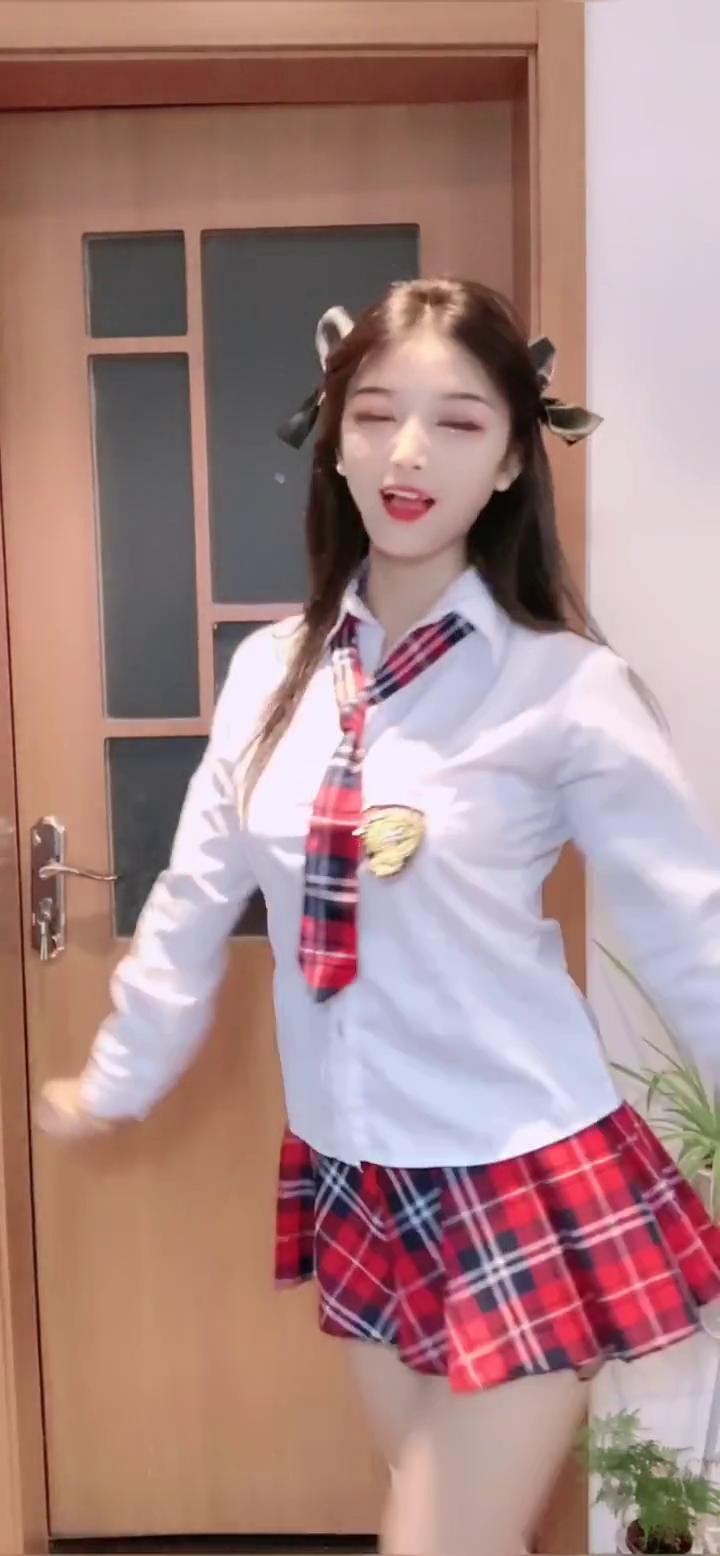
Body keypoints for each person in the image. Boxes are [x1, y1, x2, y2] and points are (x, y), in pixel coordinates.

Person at [37, 278, 720, 1556]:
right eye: (375, 414)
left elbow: (693, 929)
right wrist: (121, 1075)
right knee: (447, 1517)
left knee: (433, 1541)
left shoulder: (565, 686)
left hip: (523, 1169)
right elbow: (195, 894)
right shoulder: (268, 673)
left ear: (512, 458)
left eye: (458, 422)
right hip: (354, 1167)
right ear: (334, 438)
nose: (409, 452)